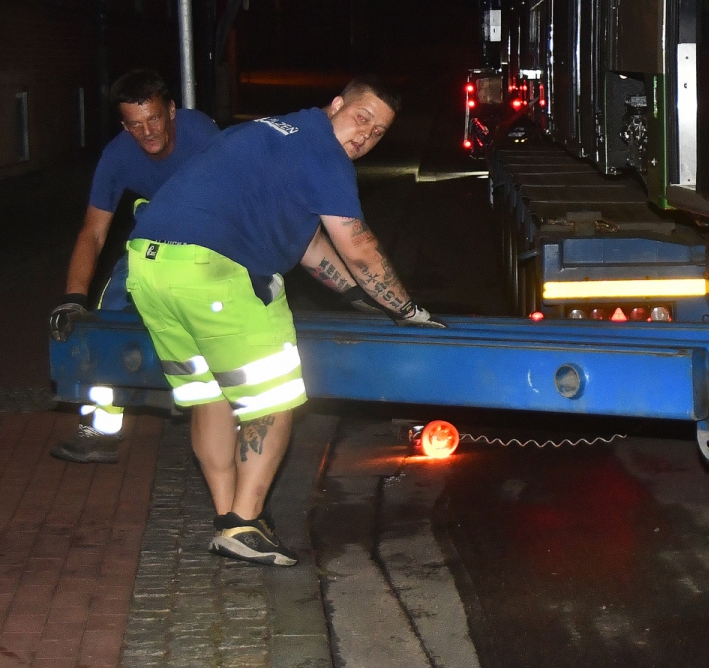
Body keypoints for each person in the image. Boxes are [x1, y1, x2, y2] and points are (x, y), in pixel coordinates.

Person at [126, 75, 442, 567]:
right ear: (336, 104)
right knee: (272, 399)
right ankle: (245, 522)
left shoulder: (269, 133)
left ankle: (231, 521)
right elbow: (358, 247)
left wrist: (360, 297)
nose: (365, 135)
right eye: (362, 118)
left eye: (378, 132)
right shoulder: (326, 155)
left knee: (211, 394)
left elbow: (311, 248)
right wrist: (405, 308)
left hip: (149, 268)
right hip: (211, 273)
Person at [48, 70, 220, 463]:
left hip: (207, 239)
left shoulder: (201, 134)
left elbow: (239, 199)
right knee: (108, 316)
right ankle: (101, 428)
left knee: (218, 319)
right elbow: (93, 232)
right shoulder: (117, 156)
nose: (147, 132)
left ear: (171, 110)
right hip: (151, 243)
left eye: (154, 119)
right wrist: (73, 298)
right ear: (125, 126)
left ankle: (231, 421)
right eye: (135, 125)